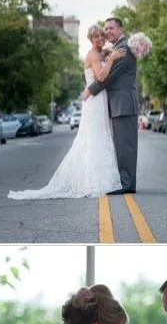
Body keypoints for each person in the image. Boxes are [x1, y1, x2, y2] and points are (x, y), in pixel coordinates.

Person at [9, 25, 123, 199]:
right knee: (94, 137)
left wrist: (108, 56)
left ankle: (102, 177)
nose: (100, 38)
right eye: (96, 36)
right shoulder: (92, 54)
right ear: (90, 39)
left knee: (101, 135)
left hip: (100, 98)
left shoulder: (100, 53)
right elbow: (100, 77)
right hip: (95, 101)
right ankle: (93, 181)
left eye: (102, 35)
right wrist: (112, 59)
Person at [85, 16, 139, 194]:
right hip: (118, 105)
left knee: (125, 148)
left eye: (111, 29)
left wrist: (89, 91)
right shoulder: (115, 48)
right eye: (106, 29)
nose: (107, 32)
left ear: (120, 30)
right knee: (121, 147)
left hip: (123, 105)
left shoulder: (123, 49)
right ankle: (123, 181)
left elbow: (107, 78)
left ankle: (126, 184)